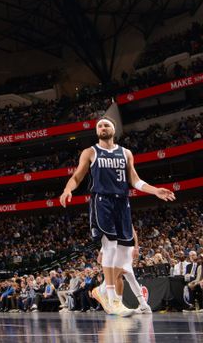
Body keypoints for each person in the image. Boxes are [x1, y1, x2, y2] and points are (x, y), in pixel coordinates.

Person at [60, 117, 175, 316]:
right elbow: (77, 176)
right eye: (100, 126)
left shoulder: (126, 153)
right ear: (97, 131)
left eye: (106, 125)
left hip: (122, 201)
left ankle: (101, 291)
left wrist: (155, 190)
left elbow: (135, 180)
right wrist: (67, 190)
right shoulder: (90, 152)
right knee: (110, 246)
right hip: (102, 201)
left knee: (124, 253)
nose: (103, 127)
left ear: (114, 129)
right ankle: (113, 299)